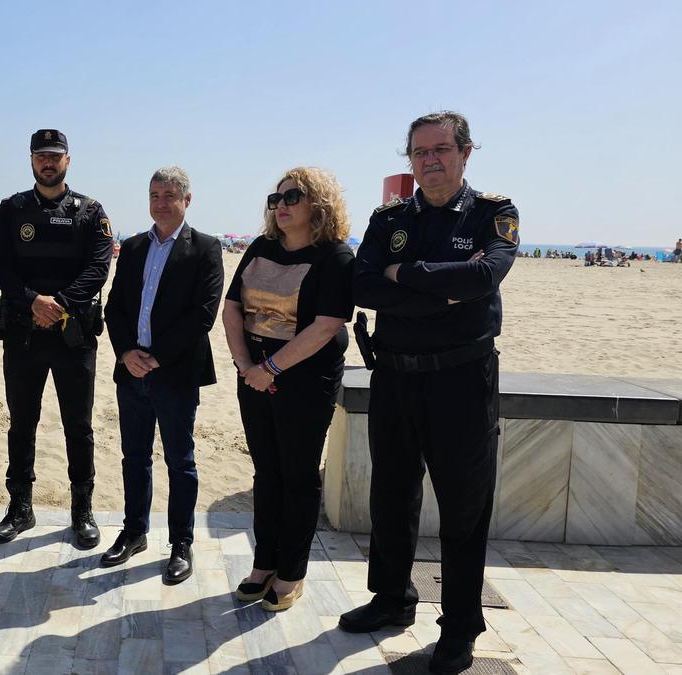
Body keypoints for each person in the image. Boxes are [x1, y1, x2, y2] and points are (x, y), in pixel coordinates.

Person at [340, 111, 518, 675]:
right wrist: (435, 288)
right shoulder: (388, 216)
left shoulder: (494, 213)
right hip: (393, 375)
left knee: (465, 507)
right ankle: (392, 598)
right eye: (419, 152)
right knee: (391, 494)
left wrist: (402, 275)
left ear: (466, 153)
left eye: (441, 149)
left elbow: (482, 278)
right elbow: (362, 285)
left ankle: (461, 627)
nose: (430, 160)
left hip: (462, 380)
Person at [224, 167, 354, 610]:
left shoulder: (335, 257)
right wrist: (247, 366)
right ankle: (264, 564)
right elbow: (232, 308)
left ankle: (292, 572)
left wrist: (271, 368)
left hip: (304, 378)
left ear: (318, 203)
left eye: (292, 197)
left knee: (298, 476)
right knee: (267, 472)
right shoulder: (261, 248)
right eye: (275, 198)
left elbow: (326, 326)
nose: (280, 205)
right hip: (254, 373)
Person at [0, 129, 113, 548]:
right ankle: (20, 508)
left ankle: (82, 511)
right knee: (21, 424)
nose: (47, 162)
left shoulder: (90, 211)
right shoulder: (11, 209)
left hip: (72, 335)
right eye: (40, 155)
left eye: (54, 156)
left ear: (67, 161)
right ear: (31, 161)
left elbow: (98, 268)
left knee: (79, 427)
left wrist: (56, 302)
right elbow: (0, 266)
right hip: (23, 333)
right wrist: (31, 301)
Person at [100, 166, 223, 584]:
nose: (160, 202)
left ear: (187, 200)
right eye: (154, 194)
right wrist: (125, 353)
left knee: (179, 461)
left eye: (169, 195)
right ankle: (134, 532)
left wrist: (156, 357)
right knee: (134, 457)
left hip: (175, 374)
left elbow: (203, 315)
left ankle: (181, 543)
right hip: (131, 372)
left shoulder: (205, 248)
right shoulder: (133, 247)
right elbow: (114, 307)